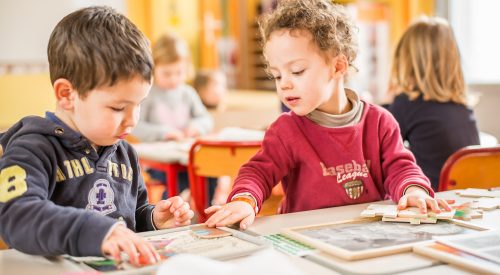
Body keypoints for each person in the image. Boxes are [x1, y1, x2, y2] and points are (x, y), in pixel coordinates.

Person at [204, 0, 451, 230]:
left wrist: (414, 191)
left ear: (337, 67)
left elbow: (401, 167)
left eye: (297, 71)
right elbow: (258, 171)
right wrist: (245, 200)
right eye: (277, 75)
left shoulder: (379, 122)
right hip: (306, 238)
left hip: (369, 234)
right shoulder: (286, 130)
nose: (285, 84)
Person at [0, 6, 193, 266]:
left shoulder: (124, 152)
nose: (133, 120)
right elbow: (16, 215)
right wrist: (97, 231)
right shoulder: (32, 148)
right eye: (117, 107)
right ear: (67, 95)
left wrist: (153, 220)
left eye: (139, 105)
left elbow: (131, 218)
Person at [386, 17, 479, 191]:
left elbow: (384, 148)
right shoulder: (463, 107)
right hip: (469, 199)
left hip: (432, 199)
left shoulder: (407, 104)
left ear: (405, 60)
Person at [132, 33, 213, 142]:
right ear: (153, 68)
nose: (173, 79)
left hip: (184, 151)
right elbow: (135, 127)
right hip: (154, 154)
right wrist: (163, 133)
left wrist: (196, 127)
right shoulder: (146, 94)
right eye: (166, 74)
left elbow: (206, 119)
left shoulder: (188, 93)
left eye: (179, 73)